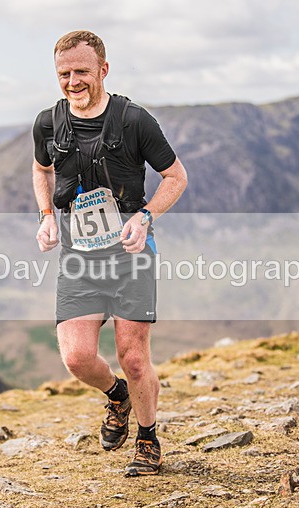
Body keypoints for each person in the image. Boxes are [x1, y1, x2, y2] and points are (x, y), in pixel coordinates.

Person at [32, 30, 187, 477]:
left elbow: (175, 178)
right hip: (79, 257)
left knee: (133, 356)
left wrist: (145, 216)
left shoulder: (135, 120)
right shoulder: (47, 123)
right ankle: (117, 396)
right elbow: (41, 168)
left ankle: (148, 438)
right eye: (64, 73)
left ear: (103, 69)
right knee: (77, 357)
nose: (73, 81)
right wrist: (45, 214)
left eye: (82, 71)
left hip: (131, 254)